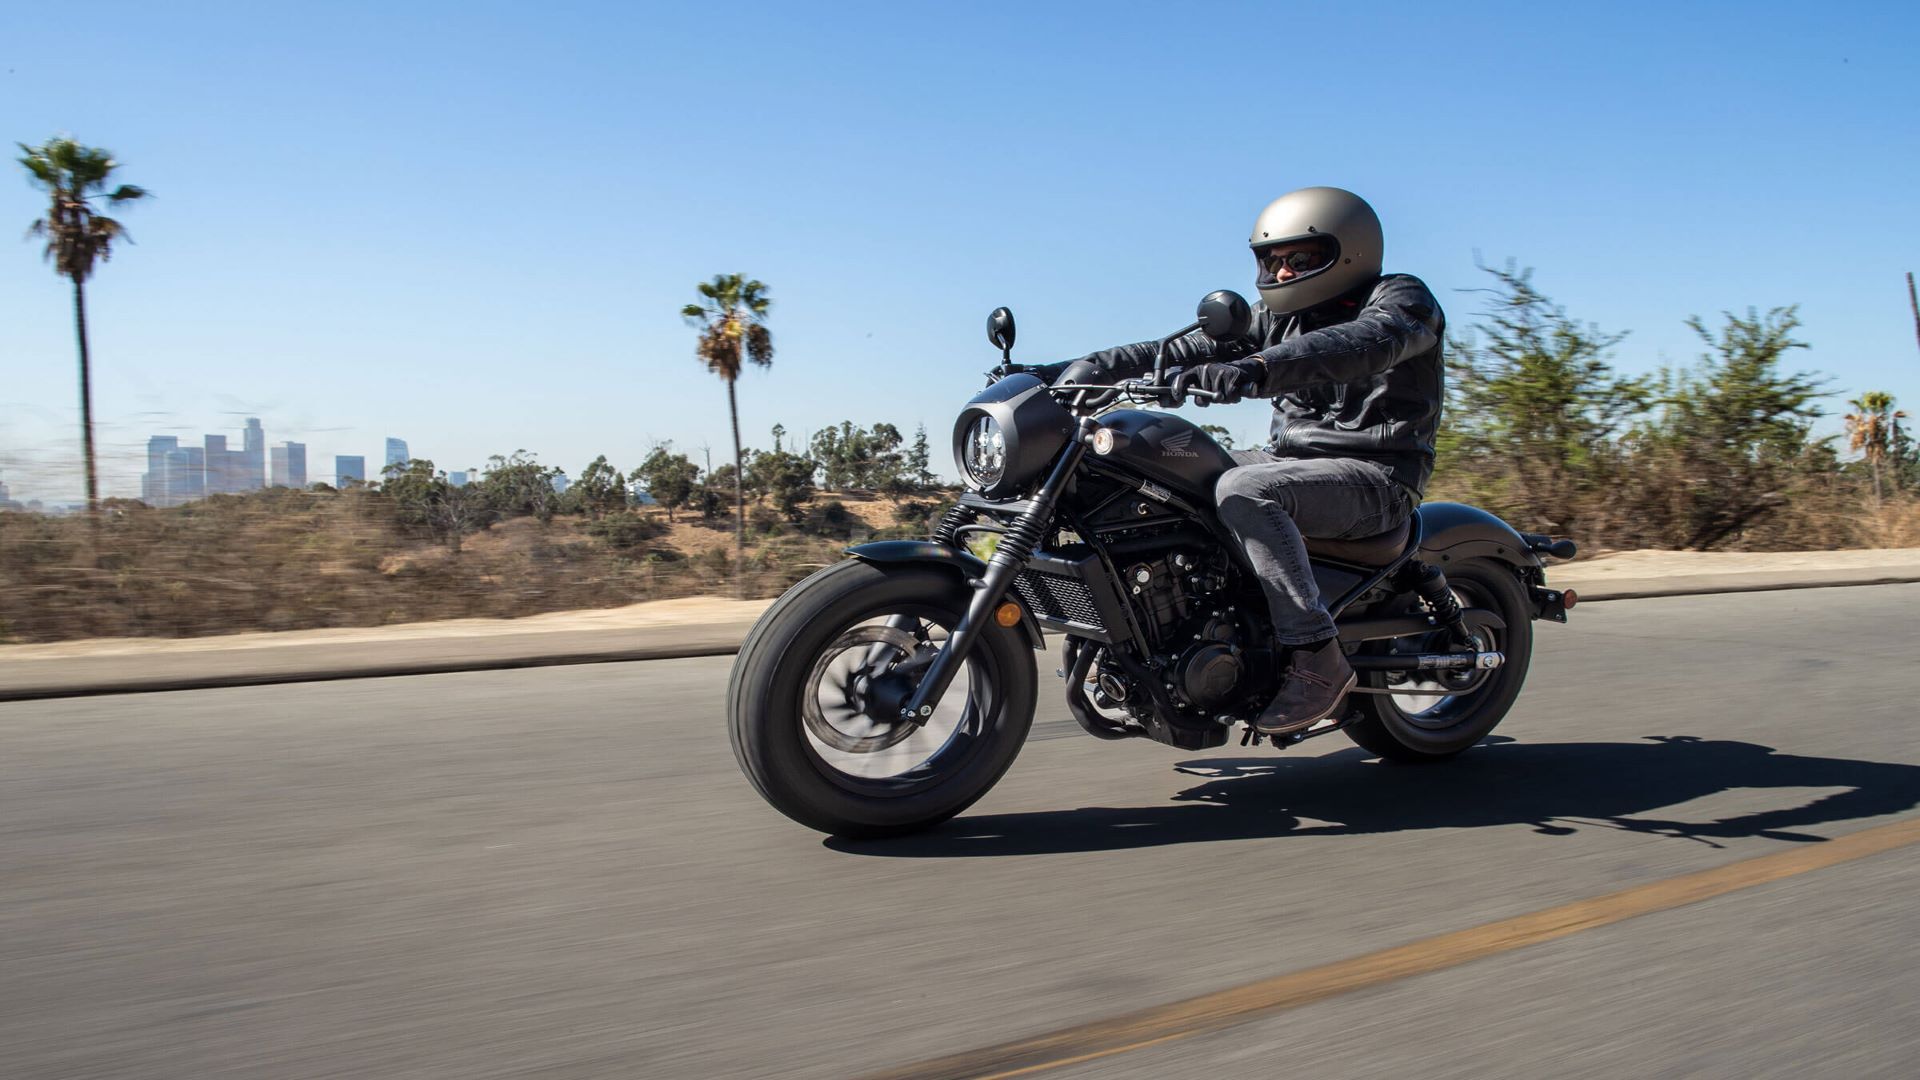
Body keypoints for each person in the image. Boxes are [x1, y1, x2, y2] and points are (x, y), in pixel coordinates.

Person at [1042, 187, 1444, 735]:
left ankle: (1317, 656)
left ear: (1347, 253)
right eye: (1272, 260)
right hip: (1288, 463)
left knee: (1243, 490)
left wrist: (1255, 369)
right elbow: (1170, 353)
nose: (1281, 273)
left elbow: (1365, 342)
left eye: (1298, 260)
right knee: (1146, 468)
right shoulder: (1271, 319)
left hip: (1376, 478)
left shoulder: (1400, 301)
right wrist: (1065, 371)